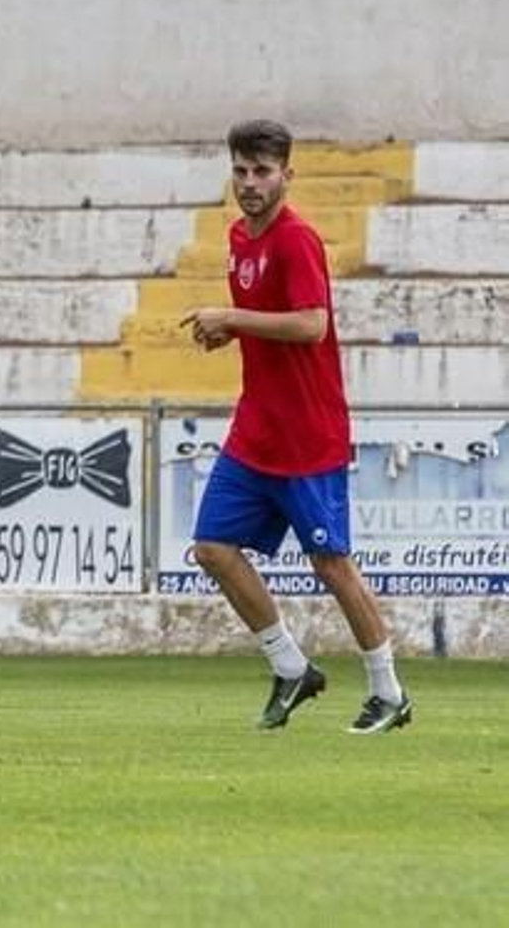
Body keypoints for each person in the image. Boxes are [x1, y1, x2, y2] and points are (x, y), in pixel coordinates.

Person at [182, 119, 413, 735]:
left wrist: (231, 315)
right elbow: (270, 319)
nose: (250, 183)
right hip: (257, 428)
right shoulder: (239, 235)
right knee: (212, 548)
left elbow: (311, 324)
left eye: (262, 171)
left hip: (308, 435)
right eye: (241, 170)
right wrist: (231, 328)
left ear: (288, 173)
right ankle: (290, 666)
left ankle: (389, 693)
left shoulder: (296, 239)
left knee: (331, 564)